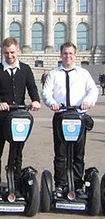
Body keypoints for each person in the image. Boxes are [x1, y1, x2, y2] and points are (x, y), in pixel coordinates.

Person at [42, 41, 98, 199]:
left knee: (78, 154)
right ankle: (60, 184)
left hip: (79, 116)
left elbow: (93, 90)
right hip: (61, 115)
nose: (68, 56)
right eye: (65, 53)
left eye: (70, 54)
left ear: (75, 55)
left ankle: (77, 185)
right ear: (61, 55)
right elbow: (46, 92)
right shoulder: (54, 73)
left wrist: (88, 101)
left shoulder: (83, 74)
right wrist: (51, 102)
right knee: (60, 154)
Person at [0, 37, 40, 199]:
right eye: (6, 53)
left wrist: (36, 101)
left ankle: (16, 184)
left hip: (19, 116)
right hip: (1, 116)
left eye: (12, 52)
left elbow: (32, 87)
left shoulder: (25, 69)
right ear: (2, 52)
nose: (9, 56)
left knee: (17, 152)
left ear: (18, 51)